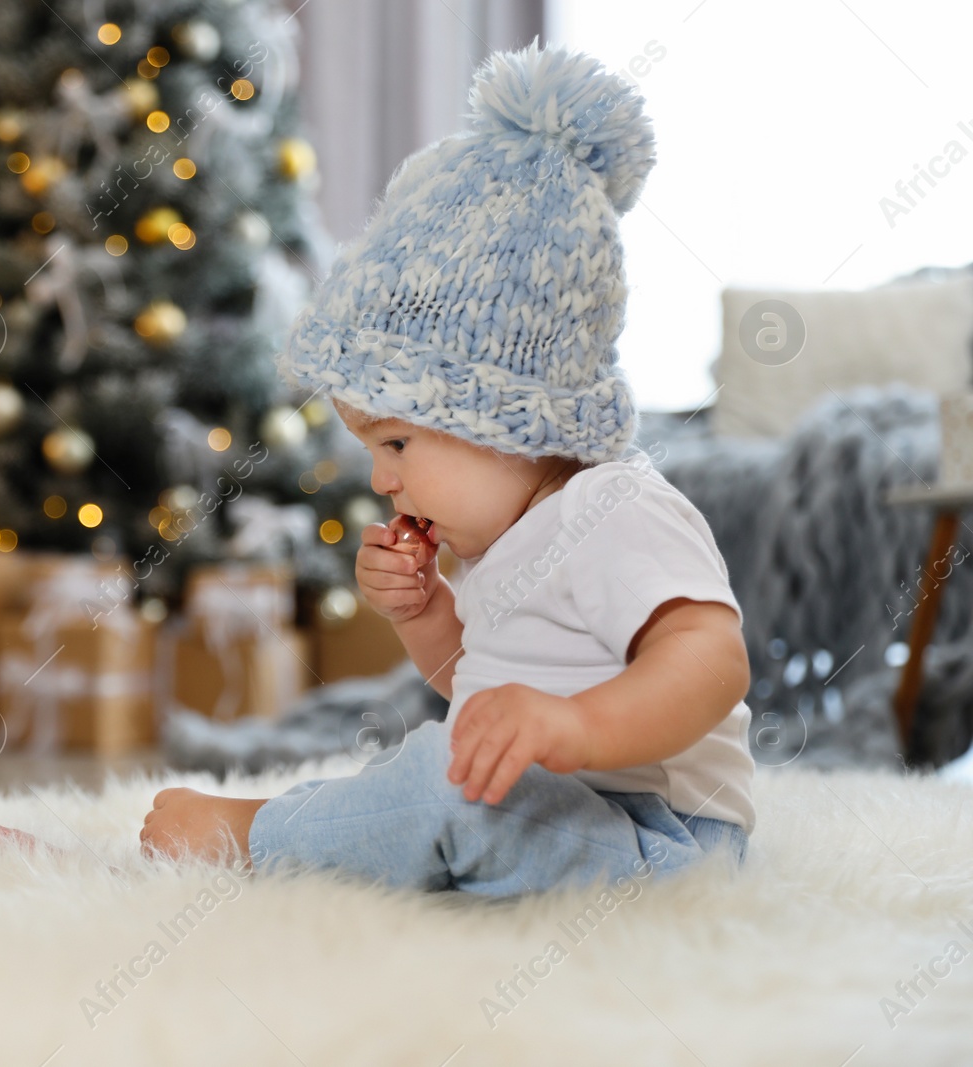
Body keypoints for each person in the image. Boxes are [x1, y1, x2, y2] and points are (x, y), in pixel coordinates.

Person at [133, 39, 756, 896]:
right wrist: (428, 612)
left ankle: (253, 836)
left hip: (664, 839)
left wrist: (576, 726)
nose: (383, 479)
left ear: (510, 415)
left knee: (439, 787)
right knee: (424, 776)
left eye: (396, 444)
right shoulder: (510, 539)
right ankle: (296, 839)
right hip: (566, 813)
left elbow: (712, 660)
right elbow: (477, 690)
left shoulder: (616, 510)